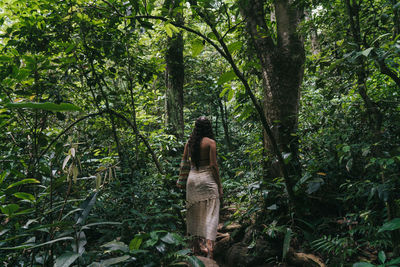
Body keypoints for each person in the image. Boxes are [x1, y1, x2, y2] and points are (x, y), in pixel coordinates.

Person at [177, 116, 223, 258]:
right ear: (208, 127)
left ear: (196, 127)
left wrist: (182, 181)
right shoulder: (211, 143)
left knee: (194, 213)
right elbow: (213, 166)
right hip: (207, 180)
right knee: (211, 212)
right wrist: (220, 186)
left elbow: (184, 163)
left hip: (192, 180)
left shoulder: (189, 143)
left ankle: (196, 247)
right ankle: (210, 246)